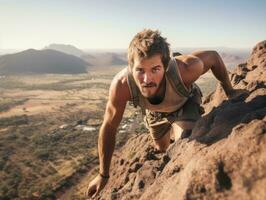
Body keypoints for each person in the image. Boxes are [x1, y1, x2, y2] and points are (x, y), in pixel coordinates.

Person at [86, 29, 244, 198]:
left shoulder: (186, 68)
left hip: (184, 101)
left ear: (166, 66)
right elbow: (109, 127)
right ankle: (162, 125)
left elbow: (213, 57)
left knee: (185, 142)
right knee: (161, 147)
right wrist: (103, 175)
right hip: (154, 111)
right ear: (131, 67)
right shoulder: (122, 84)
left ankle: (180, 127)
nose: (147, 80)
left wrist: (230, 91)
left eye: (155, 69)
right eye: (140, 70)